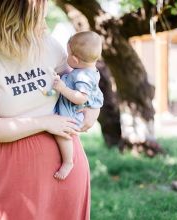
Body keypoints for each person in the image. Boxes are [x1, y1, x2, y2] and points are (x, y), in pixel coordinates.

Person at [0, 0, 100, 219]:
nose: (44, 18)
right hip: (11, 174)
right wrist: (45, 122)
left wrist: (93, 110)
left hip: (65, 168)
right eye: (39, 12)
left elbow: (82, 81)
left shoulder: (49, 45)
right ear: (17, 17)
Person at [52, 31, 104, 180]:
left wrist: (62, 88)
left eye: (67, 54)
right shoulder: (89, 70)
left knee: (62, 132)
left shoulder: (82, 76)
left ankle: (68, 161)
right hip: (74, 108)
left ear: (74, 60)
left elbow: (81, 98)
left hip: (73, 111)